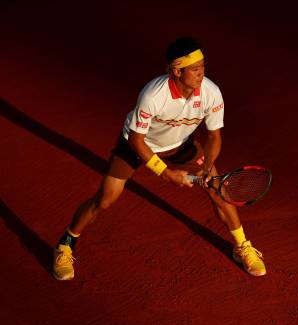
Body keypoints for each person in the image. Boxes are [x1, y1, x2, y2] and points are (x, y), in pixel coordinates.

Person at [52, 37, 266, 280]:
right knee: (106, 199)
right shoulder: (153, 95)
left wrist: (207, 168)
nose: (201, 73)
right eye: (195, 69)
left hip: (181, 146)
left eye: (203, 66)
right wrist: (166, 173)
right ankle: (65, 244)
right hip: (137, 146)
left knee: (218, 188)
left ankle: (242, 246)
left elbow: (214, 136)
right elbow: (136, 140)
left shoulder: (210, 92)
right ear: (177, 71)